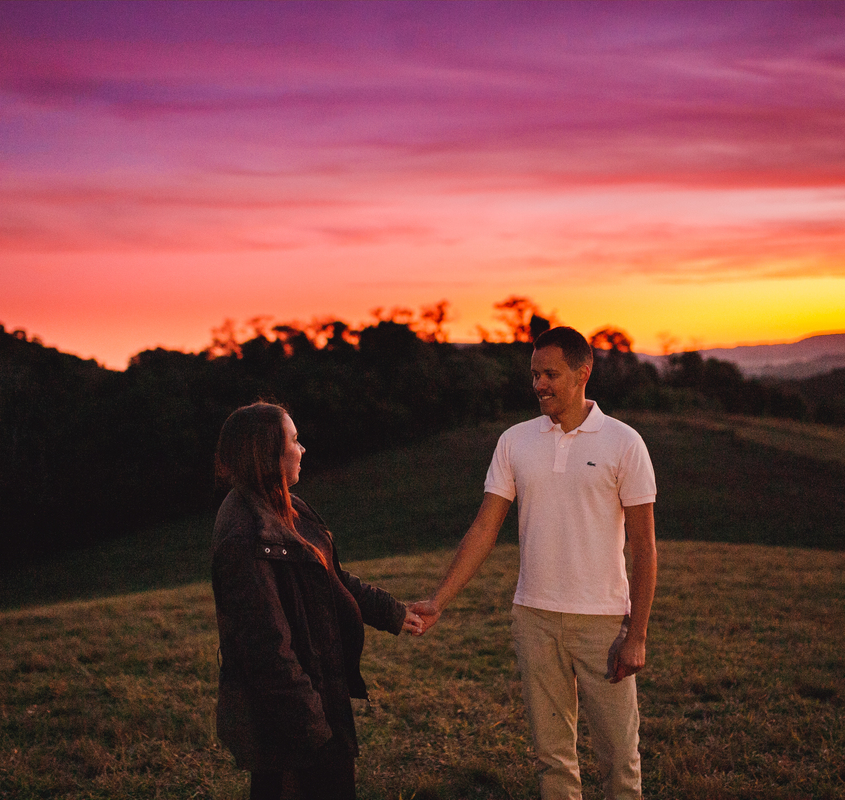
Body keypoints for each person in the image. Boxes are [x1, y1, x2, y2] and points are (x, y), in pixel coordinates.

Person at [410, 326, 658, 800]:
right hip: (534, 619)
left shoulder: (624, 443)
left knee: (620, 759)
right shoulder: (515, 441)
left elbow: (643, 547)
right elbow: (484, 529)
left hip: (602, 623)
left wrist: (637, 634)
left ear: (584, 373)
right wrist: (440, 600)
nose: (539, 384)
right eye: (534, 374)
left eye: (550, 374)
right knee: (552, 759)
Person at [212, 402, 423, 800]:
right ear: (267, 453)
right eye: (294, 440)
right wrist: (314, 729)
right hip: (291, 722)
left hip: (320, 696)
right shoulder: (244, 535)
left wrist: (393, 613)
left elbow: (333, 577)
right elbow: (268, 652)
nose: (303, 449)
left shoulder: (286, 506)